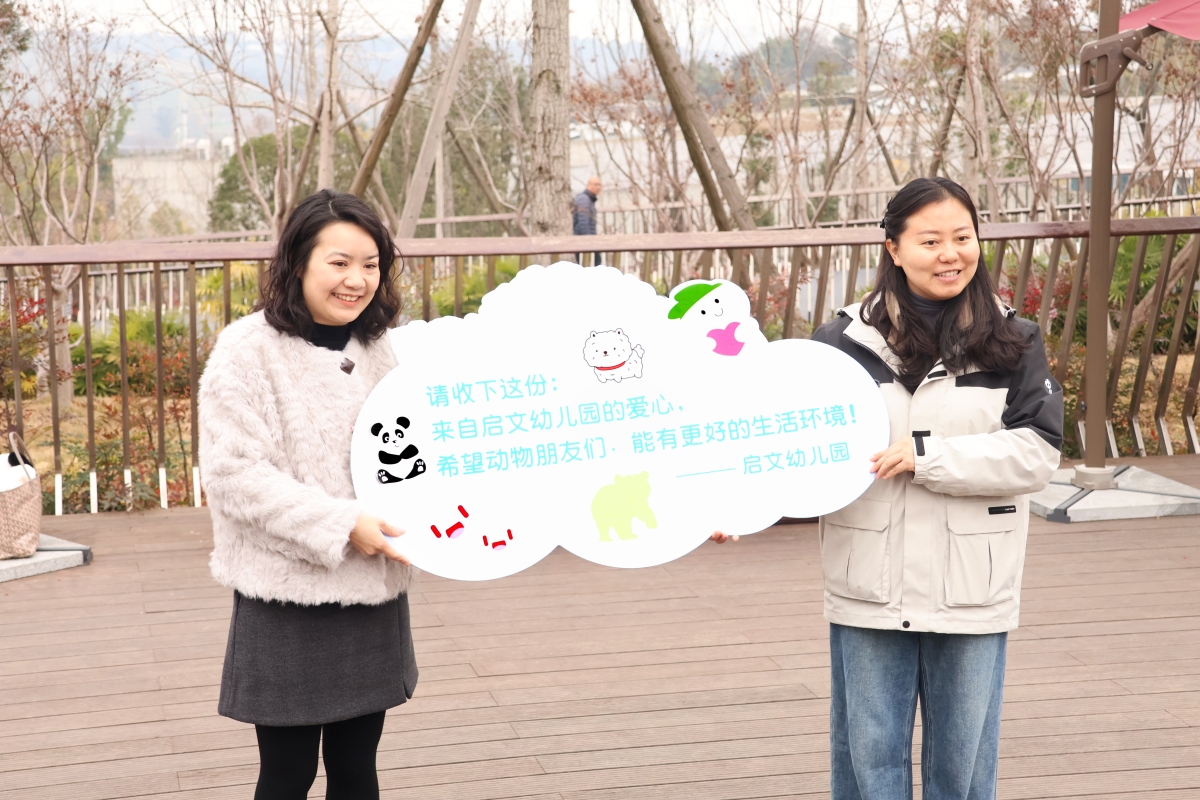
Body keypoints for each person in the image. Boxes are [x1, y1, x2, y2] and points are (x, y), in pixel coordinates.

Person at [811, 177, 1063, 800]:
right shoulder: (838, 344)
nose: (951, 254)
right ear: (893, 249)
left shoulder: (1016, 340)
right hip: (869, 583)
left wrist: (930, 458)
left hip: (970, 585)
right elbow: (795, 454)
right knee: (869, 765)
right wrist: (738, 506)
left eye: (963, 237)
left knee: (963, 769)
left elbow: (1037, 453)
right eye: (930, 241)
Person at [199, 190, 417, 800]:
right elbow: (234, 475)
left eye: (371, 264)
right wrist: (342, 524)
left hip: (371, 589)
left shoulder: (380, 347)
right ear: (298, 263)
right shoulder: (247, 351)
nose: (357, 280)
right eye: (339, 262)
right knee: (287, 773)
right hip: (287, 593)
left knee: (357, 767)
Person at [573, 175, 602, 266]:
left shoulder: (588, 199)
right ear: (589, 185)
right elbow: (583, 223)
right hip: (584, 242)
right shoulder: (584, 199)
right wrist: (589, 242)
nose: (598, 187)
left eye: (600, 185)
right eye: (596, 185)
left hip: (587, 241)